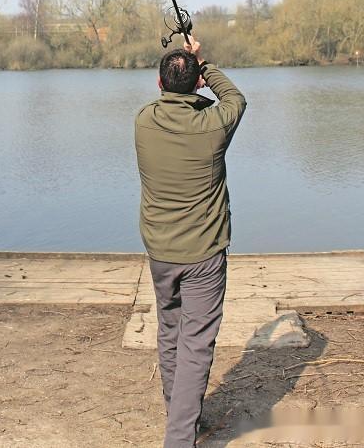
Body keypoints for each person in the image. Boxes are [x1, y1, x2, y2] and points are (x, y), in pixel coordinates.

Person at [135, 36, 246, 448]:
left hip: (160, 251)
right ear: (197, 83)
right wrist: (205, 64)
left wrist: (193, 70)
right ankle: (180, 437)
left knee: (170, 330)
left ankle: (179, 412)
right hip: (204, 254)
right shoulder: (213, 126)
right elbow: (235, 98)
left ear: (159, 85)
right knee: (196, 344)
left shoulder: (144, 121)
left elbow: (189, 98)